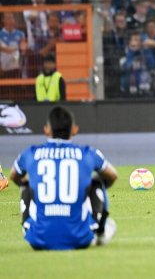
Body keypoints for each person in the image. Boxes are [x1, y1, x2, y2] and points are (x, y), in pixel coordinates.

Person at [9, 106, 118, 250]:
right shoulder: (88, 153)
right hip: (80, 238)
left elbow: (13, 176)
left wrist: (32, 185)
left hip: (38, 239)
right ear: (74, 130)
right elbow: (112, 175)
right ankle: (100, 231)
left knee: (26, 185)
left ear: (46, 130)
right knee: (97, 180)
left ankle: (27, 227)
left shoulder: (30, 153)